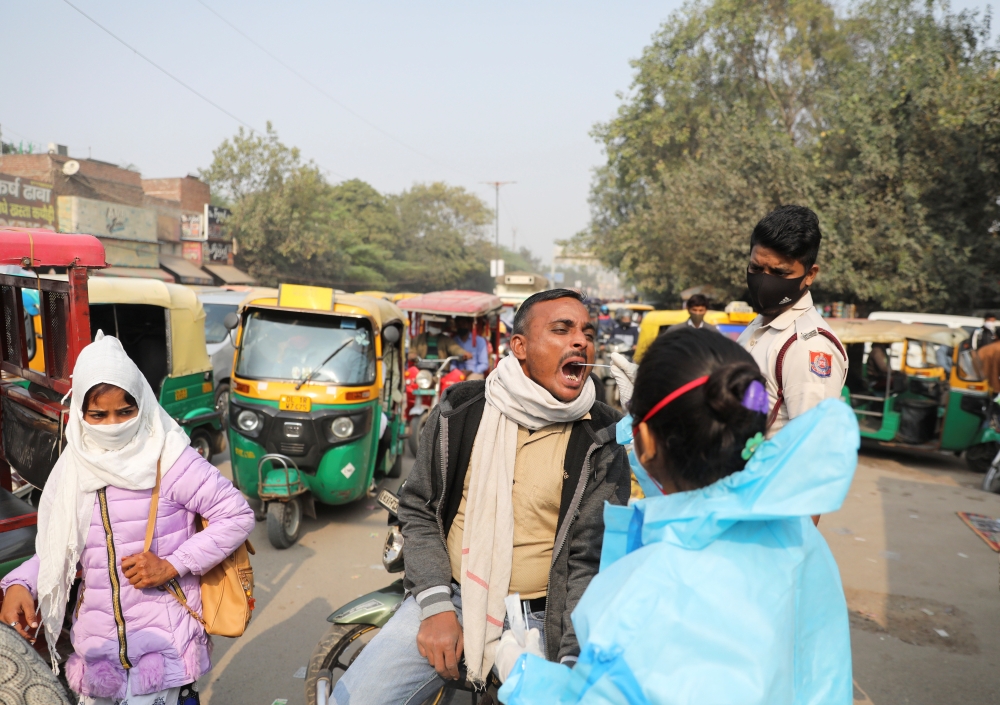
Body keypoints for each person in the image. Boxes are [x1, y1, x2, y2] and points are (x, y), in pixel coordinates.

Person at [498, 328, 858, 704]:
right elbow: (696, 500)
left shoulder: (656, 588)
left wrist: (527, 680)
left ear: (647, 441)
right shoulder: (794, 531)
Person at [332, 289, 631, 704]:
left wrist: (572, 658)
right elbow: (419, 508)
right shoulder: (461, 411)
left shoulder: (603, 434)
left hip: (548, 616)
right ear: (520, 347)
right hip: (451, 595)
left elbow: (589, 557)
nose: (581, 341)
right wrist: (436, 606)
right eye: (562, 330)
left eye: (587, 332)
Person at [0, 333, 255, 705]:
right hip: (97, 654)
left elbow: (235, 515)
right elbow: (61, 548)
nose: (113, 424)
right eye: (98, 415)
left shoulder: (169, 458)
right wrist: (21, 583)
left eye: (125, 411)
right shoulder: (75, 468)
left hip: (162, 652)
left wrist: (171, 565)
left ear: (143, 404)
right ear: (81, 415)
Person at [736, 205, 848, 436]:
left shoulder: (807, 346)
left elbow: (810, 448)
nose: (764, 281)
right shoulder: (760, 326)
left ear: (809, 275)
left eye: (780, 273)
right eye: (756, 268)